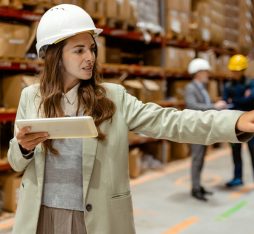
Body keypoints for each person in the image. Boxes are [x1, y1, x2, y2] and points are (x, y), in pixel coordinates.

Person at [7, 4, 254, 234]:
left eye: (92, 48)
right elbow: (16, 163)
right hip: (41, 219)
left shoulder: (113, 98)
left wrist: (233, 122)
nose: (90, 57)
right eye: (79, 50)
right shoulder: (31, 97)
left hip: (95, 220)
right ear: (53, 55)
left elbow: (170, 121)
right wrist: (23, 148)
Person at [185, 58, 227, 201]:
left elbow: (204, 104)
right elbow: (192, 105)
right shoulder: (190, 88)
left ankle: (198, 185)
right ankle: (195, 188)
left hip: (204, 129)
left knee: (201, 158)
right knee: (197, 159)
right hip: (196, 129)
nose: (207, 74)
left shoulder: (202, 88)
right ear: (198, 73)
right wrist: (215, 107)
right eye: (205, 71)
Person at [223, 54, 254, 187]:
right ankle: (237, 177)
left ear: (243, 70)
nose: (234, 73)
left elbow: (251, 100)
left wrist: (234, 101)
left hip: (250, 123)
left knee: (253, 152)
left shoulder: (251, 83)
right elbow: (225, 102)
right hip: (234, 124)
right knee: (236, 152)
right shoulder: (228, 85)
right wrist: (242, 99)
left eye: (237, 70)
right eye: (233, 70)